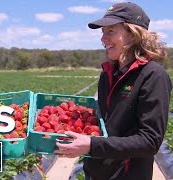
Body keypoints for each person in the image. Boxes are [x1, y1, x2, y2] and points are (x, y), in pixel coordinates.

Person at [54, 2, 172, 180]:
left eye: (110, 31)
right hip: (95, 172)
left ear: (133, 35)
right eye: (103, 32)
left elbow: (150, 141)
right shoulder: (108, 74)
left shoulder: (153, 75)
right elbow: (105, 126)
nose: (103, 39)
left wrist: (92, 145)